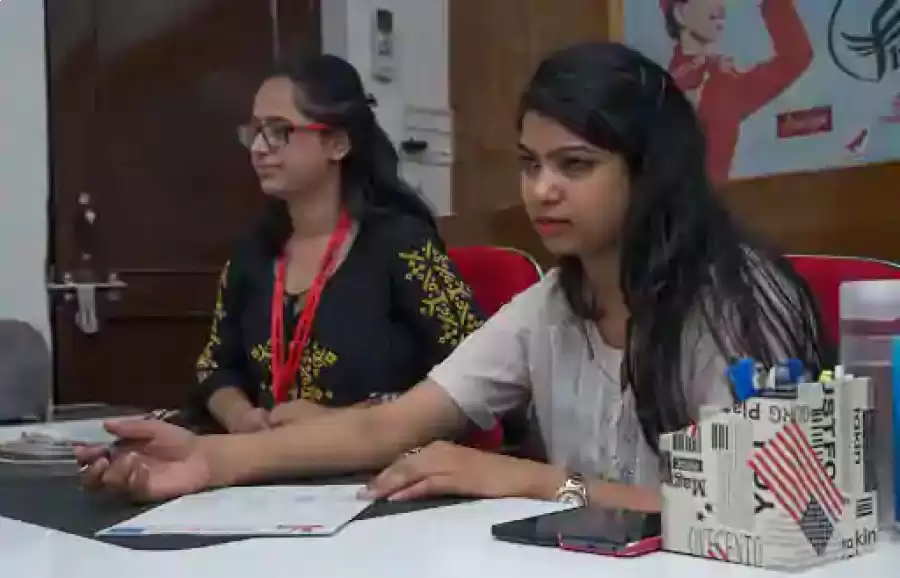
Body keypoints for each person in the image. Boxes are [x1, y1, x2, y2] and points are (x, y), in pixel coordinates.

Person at [76, 42, 830, 510]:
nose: (541, 190)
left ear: (651, 170)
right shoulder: (552, 304)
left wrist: (539, 483)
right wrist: (210, 458)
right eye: (530, 164)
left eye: (575, 165)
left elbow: (765, 511)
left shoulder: (734, 303)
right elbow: (392, 424)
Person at [192, 53, 485, 434]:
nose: (258, 148)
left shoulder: (403, 245)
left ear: (337, 144)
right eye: (254, 131)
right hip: (269, 459)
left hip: (379, 458)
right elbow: (215, 366)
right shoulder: (254, 251)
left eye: (279, 131)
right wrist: (240, 416)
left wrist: (341, 421)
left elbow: (477, 372)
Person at [661, 0, 813, 183]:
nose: (719, 6)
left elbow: (795, 58)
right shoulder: (670, 86)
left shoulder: (722, 82)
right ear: (679, 13)